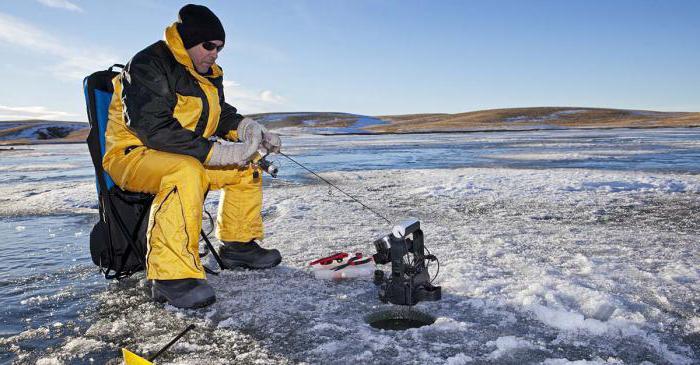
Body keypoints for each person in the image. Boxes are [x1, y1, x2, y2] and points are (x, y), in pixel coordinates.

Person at [102, 4, 281, 309]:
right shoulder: (150, 63)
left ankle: (237, 245)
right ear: (187, 40)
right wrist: (216, 152)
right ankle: (171, 276)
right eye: (208, 45)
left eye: (220, 48)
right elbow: (154, 128)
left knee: (246, 168)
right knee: (185, 171)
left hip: (183, 153)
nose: (215, 53)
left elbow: (220, 114)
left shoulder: (208, 74)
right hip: (133, 156)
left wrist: (250, 130)